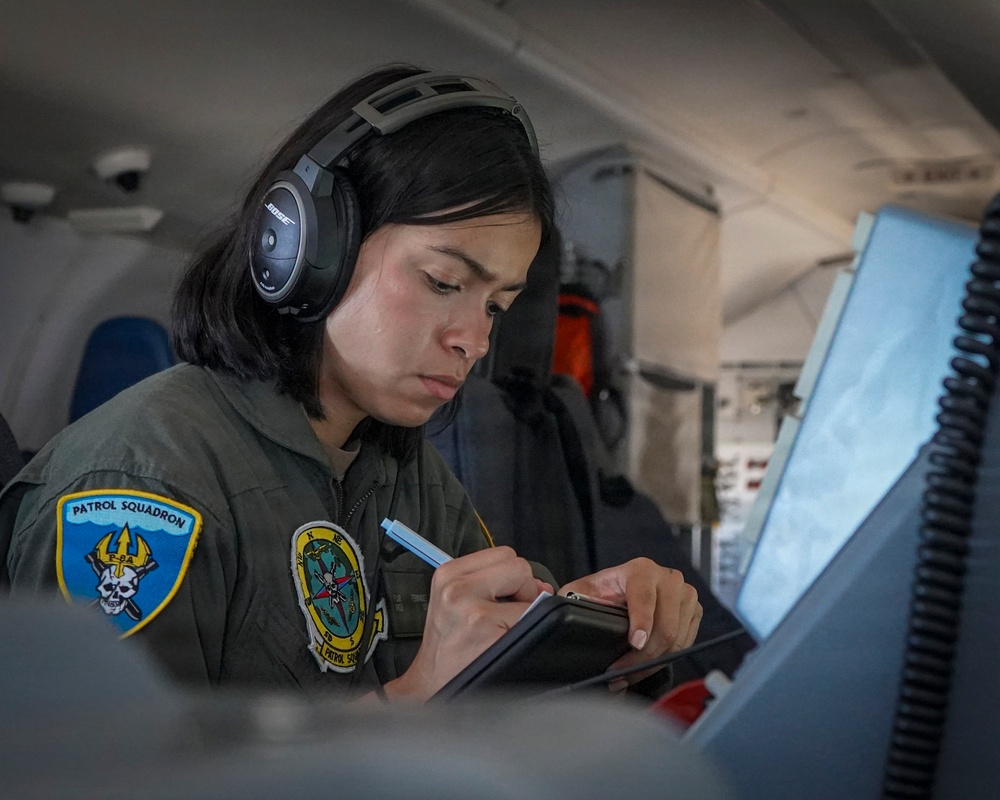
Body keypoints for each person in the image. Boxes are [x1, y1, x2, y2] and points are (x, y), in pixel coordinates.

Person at [0, 65, 701, 702]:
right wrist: (414, 700)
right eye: (443, 282)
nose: (474, 339)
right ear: (307, 249)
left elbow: (491, 682)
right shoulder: (139, 486)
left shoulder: (406, 473)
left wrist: (586, 633)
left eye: (495, 306)